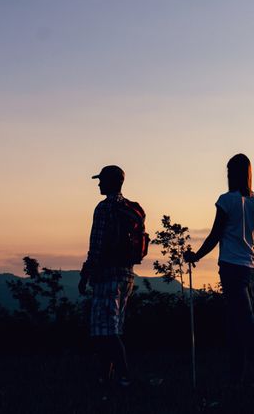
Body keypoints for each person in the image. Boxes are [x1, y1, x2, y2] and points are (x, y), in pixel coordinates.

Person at [184, 153, 254, 387]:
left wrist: (196, 256)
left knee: (245, 322)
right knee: (236, 324)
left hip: (232, 268)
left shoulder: (226, 200)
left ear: (231, 174)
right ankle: (236, 377)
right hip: (251, 268)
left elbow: (215, 234)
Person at [79, 165, 145, 388]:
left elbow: (96, 246)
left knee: (104, 331)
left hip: (107, 275)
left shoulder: (104, 208)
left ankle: (124, 376)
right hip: (127, 275)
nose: (99, 184)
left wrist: (85, 274)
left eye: (101, 180)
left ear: (111, 182)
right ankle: (105, 377)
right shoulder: (130, 209)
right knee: (111, 328)